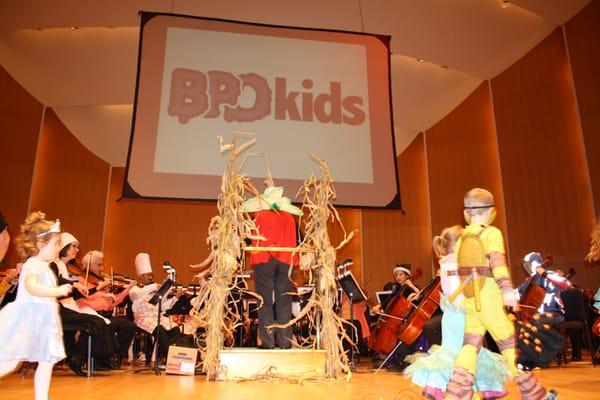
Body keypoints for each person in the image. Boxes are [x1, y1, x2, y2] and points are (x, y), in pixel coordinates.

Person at [445, 188, 556, 400]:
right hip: (488, 296)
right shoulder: (491, 233)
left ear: (466, 213)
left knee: (470, 345)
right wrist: (506, 289)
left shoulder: (460, 239)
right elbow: (497, 261)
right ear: (491, 211)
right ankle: (535, 395)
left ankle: (456, 394)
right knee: (509, 344)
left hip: (470, 297)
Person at [405, 225, 509, 400]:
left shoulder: (446, 264)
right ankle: (489, 386)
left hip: (451, 317)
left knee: (451, 352)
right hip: (463, 315)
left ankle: (434, 386)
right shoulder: (458, 264)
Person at [0, 212, 72, 400]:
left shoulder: (46, 266)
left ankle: (42, 397)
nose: (58, 248)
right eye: (56, 243)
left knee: (46, 361)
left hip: (43, 322)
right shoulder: (33, 264)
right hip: (28, 321)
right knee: (11, 362)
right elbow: (31, 287)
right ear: (41, 244)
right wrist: (57, 292)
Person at [242, 185, 303, 349]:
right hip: (286, 261)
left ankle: (268, 342)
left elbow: (249, 237)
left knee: (265, 301)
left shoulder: (259, 216)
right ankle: (285, 342)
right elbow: (300, 238)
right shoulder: (290, 217)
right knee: (284, 302)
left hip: (264, 259)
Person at [76, 250, 137, 367]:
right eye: (99, 265)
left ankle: (116, 357)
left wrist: (127, 289)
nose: (102, 268)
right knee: (106, 326)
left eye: (102, 264)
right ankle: (101, 360)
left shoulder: (100, 281)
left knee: (129, 326)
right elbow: (85, 296)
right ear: (90, 265)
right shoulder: (82, 280)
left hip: (106, 315)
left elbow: (114, 301)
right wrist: (101, 290)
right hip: (92, 315)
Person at [129, 253, 191, 361]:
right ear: (140, 277)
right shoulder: (134, 289)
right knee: (160, 330)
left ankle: (171, 355)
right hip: (143, 318)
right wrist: (156, 286)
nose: (151, 277)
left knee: (175, 328)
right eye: (147, 275)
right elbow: (137, 295)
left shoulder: (156, 290)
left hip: (158, 317)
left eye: (151, 274)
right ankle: (171, 357)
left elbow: (163, 307)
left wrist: (175, 297)